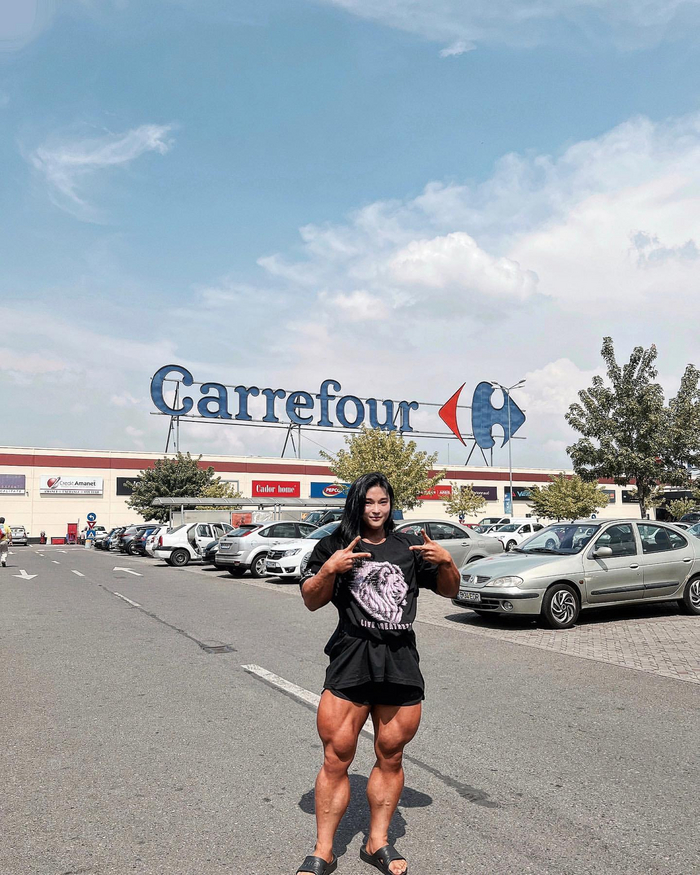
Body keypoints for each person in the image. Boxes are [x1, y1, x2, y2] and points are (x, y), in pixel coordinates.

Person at [296, 472, 459, 875]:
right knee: (336, 756)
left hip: (400, 660)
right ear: (356, 503)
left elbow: (450, 591)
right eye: (368, 502)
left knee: (391, 754)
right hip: (351, 657)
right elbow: (311, 600)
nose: (376, 509)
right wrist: (329, 569)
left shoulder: (407, 546)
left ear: (390, 504)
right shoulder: (333, 544)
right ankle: (324, 850)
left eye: (382, 502)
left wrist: (447, 562)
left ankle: (377, 841)